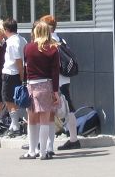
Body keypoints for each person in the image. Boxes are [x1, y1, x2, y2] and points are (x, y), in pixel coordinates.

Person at [39, 15, 81, 152]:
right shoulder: (61, 39)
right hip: (64, 79)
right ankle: (73, 139)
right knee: (69, 107)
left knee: (48, 111)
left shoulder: (49, 42)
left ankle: (43, 143)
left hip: (55, 80)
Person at [20, 21, 60, 160]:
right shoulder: (53, 49)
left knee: (32, 119)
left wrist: (24, 84)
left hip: (31, 85)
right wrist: (56, 92)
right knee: (45, 119)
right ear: (48, 32)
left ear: (36, 32)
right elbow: (55, 72)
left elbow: (25, 69)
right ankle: (43, 152)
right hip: (47, 85)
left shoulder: (28, 48)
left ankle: (32, 151)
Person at [2, 18, 28, 137]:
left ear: (6, 29)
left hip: (11, 73)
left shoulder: (12, 42)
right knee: (15, 99)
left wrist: (22, 75)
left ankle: (15, 125)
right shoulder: (23, 39)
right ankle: (14, 124)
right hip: (17, 73)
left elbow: (18, 60)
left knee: (8, 99)